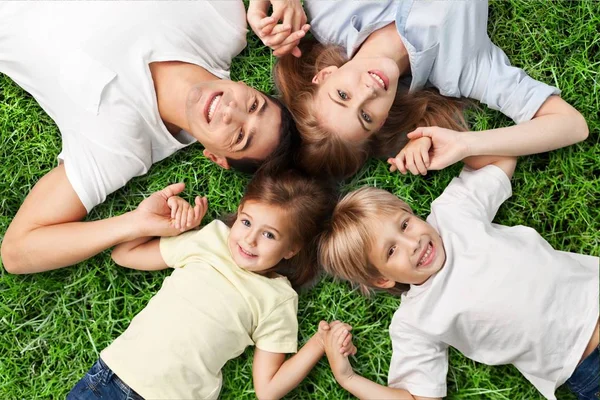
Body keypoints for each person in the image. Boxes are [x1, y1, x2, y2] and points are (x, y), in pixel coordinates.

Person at [0, 1, 296, 274]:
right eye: (254, 105)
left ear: (216, 157)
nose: (232, 111)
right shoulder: (222, 24)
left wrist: (133, 224)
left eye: (240, 136)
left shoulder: (120, 148)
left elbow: (17, 251)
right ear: (248, 86)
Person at [318, 141, 599, 399]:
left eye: (404, 224)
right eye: (391, 251)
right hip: (588, 365)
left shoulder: (451, 214)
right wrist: (348, 378)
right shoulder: (414, 321)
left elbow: (502, 156)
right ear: (382, 278)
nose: (412, 243)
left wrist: (435, 149)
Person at [67, 167, 356, 400]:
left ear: (292, 249)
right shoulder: (210, 238)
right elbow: (124, 254)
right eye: (246, 222)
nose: (249, 239)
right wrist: (158, 218)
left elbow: (268, 390)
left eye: (269, 235)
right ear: (240, 211)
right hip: (108, 379)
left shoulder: (277, 298)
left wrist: (319, 343)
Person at [270, 0, 588, 178]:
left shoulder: (327, 15)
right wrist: (464, 144)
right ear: (381, 124)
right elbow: (571, 125)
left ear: (324, 75)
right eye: (366, 116)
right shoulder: (461, 69)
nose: (368, 91)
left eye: (343, 96)